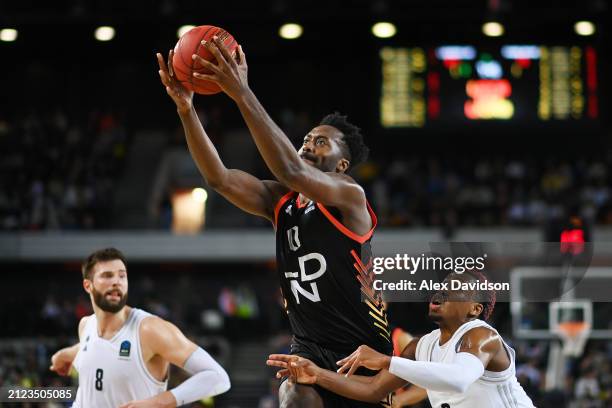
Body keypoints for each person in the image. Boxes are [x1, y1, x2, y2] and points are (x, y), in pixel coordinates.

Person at [156, 35, 392, 407]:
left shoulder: (350, 197)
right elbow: (219, 178)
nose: (309, 144)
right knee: (294, 396)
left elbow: (290, 168)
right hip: (309, 346)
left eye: (322, 142)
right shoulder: (280, 202)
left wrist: (242, 93)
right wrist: (187, 111)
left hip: (361, 353)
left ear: (342, 164)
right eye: (307, 139)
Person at [267, 271, 536, 408]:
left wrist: (386, 360)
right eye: (442, 285)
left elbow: (458, 379)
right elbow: (374, 389)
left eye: (455, 288)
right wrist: (317, 375)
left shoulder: (482, 334)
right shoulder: (421, 345)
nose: (442, 290)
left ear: (474, 309)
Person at [49, 247, 230, 407]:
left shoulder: (150, 330)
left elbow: (218, 377)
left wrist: (159, 403)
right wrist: (65, 354)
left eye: (122, 275)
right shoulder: (86, 325)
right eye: (107, 275)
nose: (117, 281)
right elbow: (99, 348)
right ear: (88, 286)